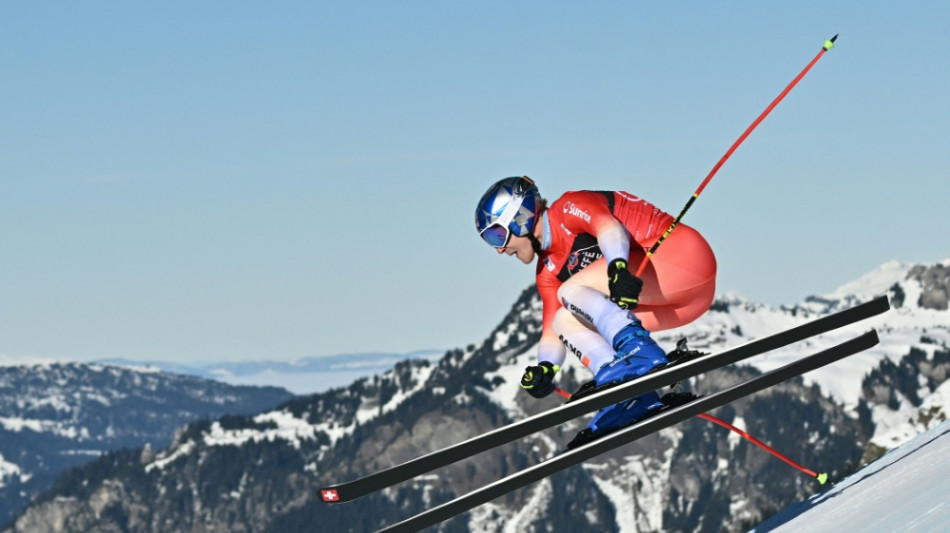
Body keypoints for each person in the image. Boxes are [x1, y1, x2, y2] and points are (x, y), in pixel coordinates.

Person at [475, 176, 717, 446]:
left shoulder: (567, 208)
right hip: (680, 303)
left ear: (521, 218)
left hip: (683, 257)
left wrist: (618, 268)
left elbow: (608, 227)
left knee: (568, 291)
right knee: (563, 318)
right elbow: (551, 332)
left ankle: (639, 355)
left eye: (496, 234)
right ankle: (626, 392)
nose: (498, 249)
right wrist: (546, 368)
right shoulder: (547, 271)